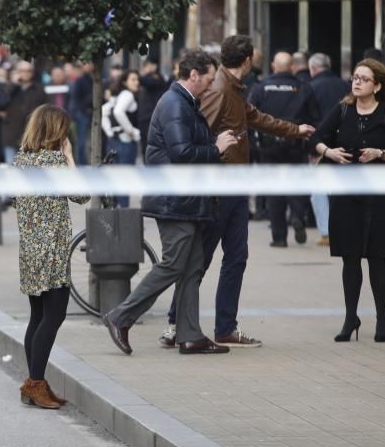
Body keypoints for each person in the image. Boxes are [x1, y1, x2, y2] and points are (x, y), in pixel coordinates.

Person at [161, 36, 315, 349]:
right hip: (221, 186)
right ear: (247, 60)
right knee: (202, 258)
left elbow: (255, 117)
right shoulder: (219, 89)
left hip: (233, 185)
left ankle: (224, 327)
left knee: (236, 256)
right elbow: (200, 131)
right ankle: (176, 323)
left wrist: (295, 130)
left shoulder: (232, 87)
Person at [101, 50, 238, 356]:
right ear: (193, 75)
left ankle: (190, 336)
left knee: (191, 267)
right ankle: (120, 317)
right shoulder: (176, 102)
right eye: (208, 78)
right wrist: (216, 148)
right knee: (175, 264)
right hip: (174, 199)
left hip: (182, 199)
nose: (211, 84)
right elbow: (181, 153)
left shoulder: (184, 101)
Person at [310, 59, 385, 342]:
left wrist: (381, 154)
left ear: (377, 85)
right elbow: (316, 137)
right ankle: (351, 318)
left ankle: (381, 319)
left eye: (364, 78)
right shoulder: (342, 110)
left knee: (377, 256)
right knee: (350, 258)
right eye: (355, 77)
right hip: (346, 194)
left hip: (378, 196)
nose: (357, 82)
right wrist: (329, 152)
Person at [12, 105, 89, 408]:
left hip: (30, 250)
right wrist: (69, 157)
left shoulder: (21, 161)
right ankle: (35, 382)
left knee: (38, 316)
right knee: (54, 316)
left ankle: (34, 382)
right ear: (56, 131)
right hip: (52, 251)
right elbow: (83, 194)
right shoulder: (55, 162)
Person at [249, 51, 317, 247]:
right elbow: (314, 118)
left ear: (273, 65)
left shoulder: (261, 87)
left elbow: (251, 116)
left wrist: (255, 143)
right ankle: (297, 216)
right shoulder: (304, 87)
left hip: (269, 148)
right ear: (292, 67)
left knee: (274, 191)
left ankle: (279, 237)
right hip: (297, 146)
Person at [306, 53, 350, 246]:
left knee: (319, 190)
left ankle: (326, 232)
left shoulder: (310, 87)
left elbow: (307, 116)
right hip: (344, 143)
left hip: (321, 144)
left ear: (313, 68)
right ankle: (345, 229)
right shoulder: (344, 85)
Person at [102, 69, 140, 207]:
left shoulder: (117, 96)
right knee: (124, 180)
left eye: (137, 79)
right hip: (125, 142)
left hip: (114, 142)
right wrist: (130, 131)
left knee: (116, 179)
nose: (137, 82)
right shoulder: (127, 95)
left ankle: (117, 213)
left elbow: (103, 112)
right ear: (125, 81)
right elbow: (117, 112)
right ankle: (123, 215)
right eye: (133, 79)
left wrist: (110, 132)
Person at [1, 60, 48, 165]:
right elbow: (1, 102)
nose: (25, 73)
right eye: (22, 71)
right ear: (16, 72)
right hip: (11, 135)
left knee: (30, 172)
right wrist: (13, 85)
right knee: (12, 171)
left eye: (29, 71)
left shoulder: (39, 89)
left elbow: (45, 110)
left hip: (32, 136)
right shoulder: (8, 87)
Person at [137, 59, 169, 158]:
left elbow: (145, 81)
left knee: (149, 146)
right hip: (145, 117)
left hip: (151, 116)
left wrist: (147, 72)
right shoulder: (152, 78)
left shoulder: (158, 78)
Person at [68, 62, 94, 164]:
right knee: (81, 142)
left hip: (90, 114)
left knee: (88, 141)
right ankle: (81, 163)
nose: (89, 66)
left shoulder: (93, 80)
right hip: (82, 114)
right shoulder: (80, 81)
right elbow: (75, 99)